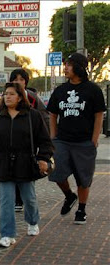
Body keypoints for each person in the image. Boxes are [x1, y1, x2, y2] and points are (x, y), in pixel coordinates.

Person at [0, 82, 54, 248]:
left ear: (20, 97)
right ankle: (7, 234)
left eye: (11, 93)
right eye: (5, 94)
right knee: (6, 201)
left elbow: (45, 141)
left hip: (25, 163)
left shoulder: (32, 116)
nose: (7, 96)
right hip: (4, 163)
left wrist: (43, 158)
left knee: (29, 199)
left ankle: (33, 222)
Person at [46, 53, 106, 225]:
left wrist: (94, 140)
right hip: (62, 141)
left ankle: (81, 209)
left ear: (79, 67)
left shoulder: (93, 90)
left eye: (69, 65)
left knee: (83, 177)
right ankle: (69, 195)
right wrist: (53, 137)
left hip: (84, 142)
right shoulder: (60, 90)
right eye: (65, 64)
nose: (65, 68)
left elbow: (99, 115)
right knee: (55, 172)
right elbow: (52, 114)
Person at [10, 68, 50, 212]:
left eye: (21, 79)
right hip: (12, 139)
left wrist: (47, 136)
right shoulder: (7, 96)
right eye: (15, 79)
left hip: (30, 140)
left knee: (26, 169)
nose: (18, 82)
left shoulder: (33, 98)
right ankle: (17, 199)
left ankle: (28, 199)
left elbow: (44, 116)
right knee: (12, 169)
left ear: (26, 82)